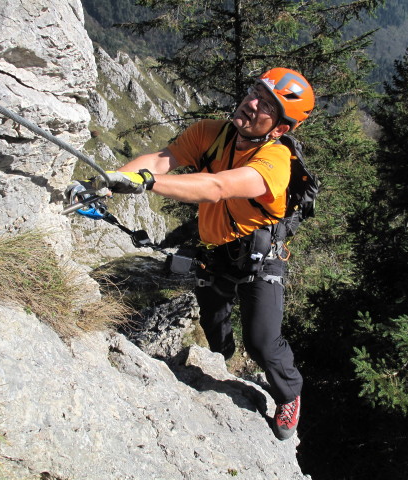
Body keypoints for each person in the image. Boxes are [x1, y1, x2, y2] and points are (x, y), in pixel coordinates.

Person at [72, 68, 315, 440]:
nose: (251, 104)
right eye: (254, 92)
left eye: (266, 105)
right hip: (216, 250)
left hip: (260, 257)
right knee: (213, 318)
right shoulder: (210, 133)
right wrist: (109, 181)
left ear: (280, 128)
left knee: (263, 341)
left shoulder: (275, 162)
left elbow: (217, 186)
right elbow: (162, 158)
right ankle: (223, 363)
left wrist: (148, 184)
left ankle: (289, 394)